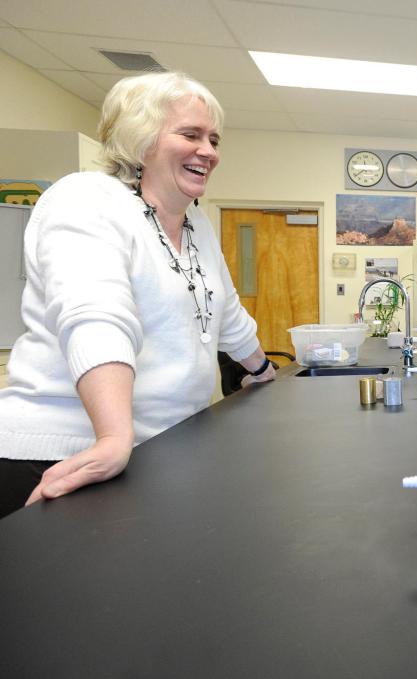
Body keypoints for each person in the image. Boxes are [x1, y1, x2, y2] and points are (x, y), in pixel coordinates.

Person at [0, 71, 276, 519]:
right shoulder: (87, 198)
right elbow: (97, 318)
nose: (208, 151)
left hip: (155, 450)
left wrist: (264, 372)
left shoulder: (195, 224)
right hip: (66, 455)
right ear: (141, 139)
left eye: (214, 139)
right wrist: (112, 437)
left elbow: (226, 314)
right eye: (190, 135)